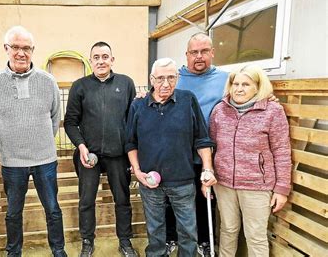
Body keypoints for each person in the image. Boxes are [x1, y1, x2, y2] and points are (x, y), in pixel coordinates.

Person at [0, 26, 67, 257]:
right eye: (15, 47)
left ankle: (58, 250)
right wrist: (6, 143)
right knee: (13, 212)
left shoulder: (48, 81)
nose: (21, 53)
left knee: (53, 210)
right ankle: (13, 252)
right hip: (12, 162)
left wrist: (41, 142)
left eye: (26, 48)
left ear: (33, 50)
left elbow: (54, 117)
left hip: (45, 160)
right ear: (6, 49)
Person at [125, 58, 217, 257]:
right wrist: (138, 172)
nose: (165, 84)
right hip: (150, 182)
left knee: (188, 232)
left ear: (177, 78)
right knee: (155, 232)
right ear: (151, 79)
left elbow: (202, 139)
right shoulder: (138, 105)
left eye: (171, 78)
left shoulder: (187, 100)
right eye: (160, 78)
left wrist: (207, 169)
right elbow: (130, 143)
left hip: (183, 180)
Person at [64, 41, 138, 257]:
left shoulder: (126, 83)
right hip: (90, 155)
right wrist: (81, 146)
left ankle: (125, 242)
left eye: (105, 56)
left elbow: (133, 118)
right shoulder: (80, 86)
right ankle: (87, 241)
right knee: (86, 200)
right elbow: (70, 121)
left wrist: (133, 154)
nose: (101, 61)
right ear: (91, 61)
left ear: (112, 60)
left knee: (122, 200)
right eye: (96, 57)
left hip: (118, 155)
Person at [209, 64, 291, 257]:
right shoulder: (220, 110)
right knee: (227, 231)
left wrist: (282, 188)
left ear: (258, 86)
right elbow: (211, 146)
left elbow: (281, 151)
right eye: (235, 84)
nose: (238, 89)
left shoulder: (272, 111)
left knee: (255, 235)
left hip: (257, 186)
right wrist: (210, 174)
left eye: (246, 84)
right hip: (224, 184)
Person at [164, 32, 228, 256]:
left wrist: (267, 97)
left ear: (212, 53)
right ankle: (170, 237)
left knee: (204, 198)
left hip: (206, 152)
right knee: (171, 198)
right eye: (194, 52)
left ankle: (203, 240)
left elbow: (246, 93)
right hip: (176, 151)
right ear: (187, 55)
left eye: (204, 51)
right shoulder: (175, 77)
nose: (199, 57)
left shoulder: (225, 79)